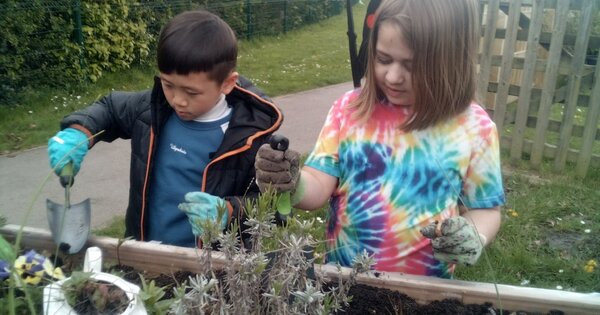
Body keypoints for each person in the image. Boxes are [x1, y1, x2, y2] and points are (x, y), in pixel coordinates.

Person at [254, 0, 504, 278]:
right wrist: (291, 180)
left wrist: (473, 236)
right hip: (344, 284)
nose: (393, 76)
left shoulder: (474, 126)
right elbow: (318, 186)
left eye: (412, 65)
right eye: (383, 59)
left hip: (427, 290)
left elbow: (485, 210)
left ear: (451, 60)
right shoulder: (349, 111)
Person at [47, 10, 282, 248]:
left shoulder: (251, 135)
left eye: (191, 92)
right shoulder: (152, 109)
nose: (177, 100)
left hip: (212, 271)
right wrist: (78, 133)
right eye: (168, 85)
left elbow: (273, 205)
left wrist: (229, 211)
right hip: (145, 256)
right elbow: (109, 109)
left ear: (227, 83)